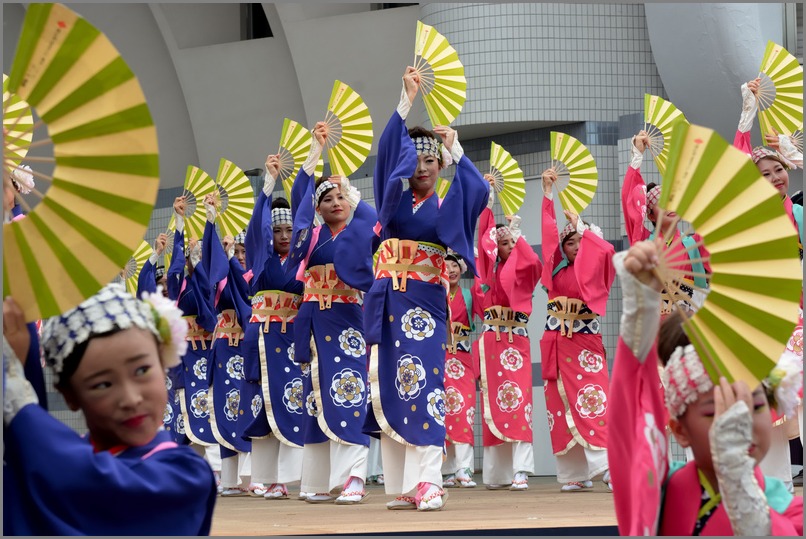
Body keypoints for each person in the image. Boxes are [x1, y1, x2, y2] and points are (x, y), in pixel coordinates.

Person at [608, 239, 803, 535]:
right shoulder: (659, 490)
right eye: (715, 411)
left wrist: (738, 479)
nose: (740, 420)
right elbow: (630, 422)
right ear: (680, 430)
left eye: (757, 404)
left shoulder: (790, 507)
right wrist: (640, 311)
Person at [362, 66, 489, 511]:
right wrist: (405, 99)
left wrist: (454, 148)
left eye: (430, 160)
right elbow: (385, 160)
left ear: (439, 165)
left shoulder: (445, 203)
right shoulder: (394, 199)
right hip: (386, 302)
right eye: (415, 160)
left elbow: (475, 192)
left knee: (426, 384)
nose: (422, 167)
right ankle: (403, 485)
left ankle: (431, 481)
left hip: (425, 302)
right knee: (391, 387)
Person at [2, 284, 217, 535]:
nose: (130, 398)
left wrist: (15, 386)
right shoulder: (58, 460)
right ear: (70, 396)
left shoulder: (185, 476)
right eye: (103, 384)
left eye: (141, 370)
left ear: (163, 362)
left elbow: (82, 477)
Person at [286, 122, 378, 505]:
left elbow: (376, 223)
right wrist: (314, 153)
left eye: (341, 197)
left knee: (350, 390)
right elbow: (298, 203)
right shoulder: (311, 237)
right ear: (318, 208)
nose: (335, 202)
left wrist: (356, 198)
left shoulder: (361, 229)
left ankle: (355, 476)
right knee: (316, 396)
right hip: (314, 321)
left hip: (349, 319)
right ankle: (318, 481)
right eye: (327, 199)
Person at [733, 77, 804, 493]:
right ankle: (777, 478)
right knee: (774, 398)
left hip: (797, 314)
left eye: (780, 169)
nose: (776, 177)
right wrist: (746, 117)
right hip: (762, 316)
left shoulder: (798, 214)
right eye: (766, 172)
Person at [540, 168, 616, 492]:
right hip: (556, 342)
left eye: (578, 241)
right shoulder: (556, 269)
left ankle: (609, 466)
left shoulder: (598, 266)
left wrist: (584, 229)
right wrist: (547, 195)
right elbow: (547, 237)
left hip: (584, 342)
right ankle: (574, 472)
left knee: (592, 399)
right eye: (569, 242)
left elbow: (606, 251)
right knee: (558, 405)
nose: (573, 246)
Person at [240, 154, 306, 500]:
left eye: (289, 229)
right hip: (261, 336)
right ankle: (264, 476)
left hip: (291, 336)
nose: (283, 235)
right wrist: (268, 182)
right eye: (277, 229)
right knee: (261, 405)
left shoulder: (300, 260)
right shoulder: (261, 259)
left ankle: (286, 478)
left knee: (290, 400)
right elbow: (257, 229)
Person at [475, 178, 541, 491]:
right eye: (504, 243)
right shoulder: (487, 271)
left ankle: (521, 470)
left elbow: (530, 263)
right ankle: (497, 474)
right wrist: (488, 199)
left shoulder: (524, 270)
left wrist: (518, 239)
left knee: (520, 400)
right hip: (491, 340)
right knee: (493, 401)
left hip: (516, 338)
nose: (509, 248)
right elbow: (483, 242)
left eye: (513, 243)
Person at [621, 131, 711, 316]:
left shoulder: (693, 244)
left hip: (684, 321)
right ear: (652, 216)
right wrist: (637, 156)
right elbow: (630, 203)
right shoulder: (644, 242)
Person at [201, 193, 256, 496]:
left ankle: (251, 475)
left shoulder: (252, 275)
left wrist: (233, 262)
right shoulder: (224, 277)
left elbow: (244, 291)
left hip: (246, 345)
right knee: (225, 406)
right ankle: (231, 478)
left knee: (247, 405)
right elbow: (214, 273)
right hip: (224, 347)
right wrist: (212, 217)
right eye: (237, 250)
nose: (241, 254)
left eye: (245, 249)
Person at [168, 196, 222, 487]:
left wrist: (210, 216)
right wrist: (180, 221)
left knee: (206, 404)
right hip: (186, 354)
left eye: (199, 254)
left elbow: (206, 303)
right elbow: (174, 271)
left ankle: (215, 467)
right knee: (186, 407)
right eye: (191, 254)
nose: (193, 257)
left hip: (205, 353)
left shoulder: (210, 284)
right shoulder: (180, 286)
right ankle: (194, 469)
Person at [441, 251, 483, 489]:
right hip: (440, 358)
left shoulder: (469, 295)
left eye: (454, 265)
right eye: (445, 266)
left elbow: (486, 304)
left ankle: (464, 468)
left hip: (464, 359)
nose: (451, 270)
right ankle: (447, 470)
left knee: (464, 413)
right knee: (442, 413)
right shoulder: (435, 294)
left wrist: (480, 265)